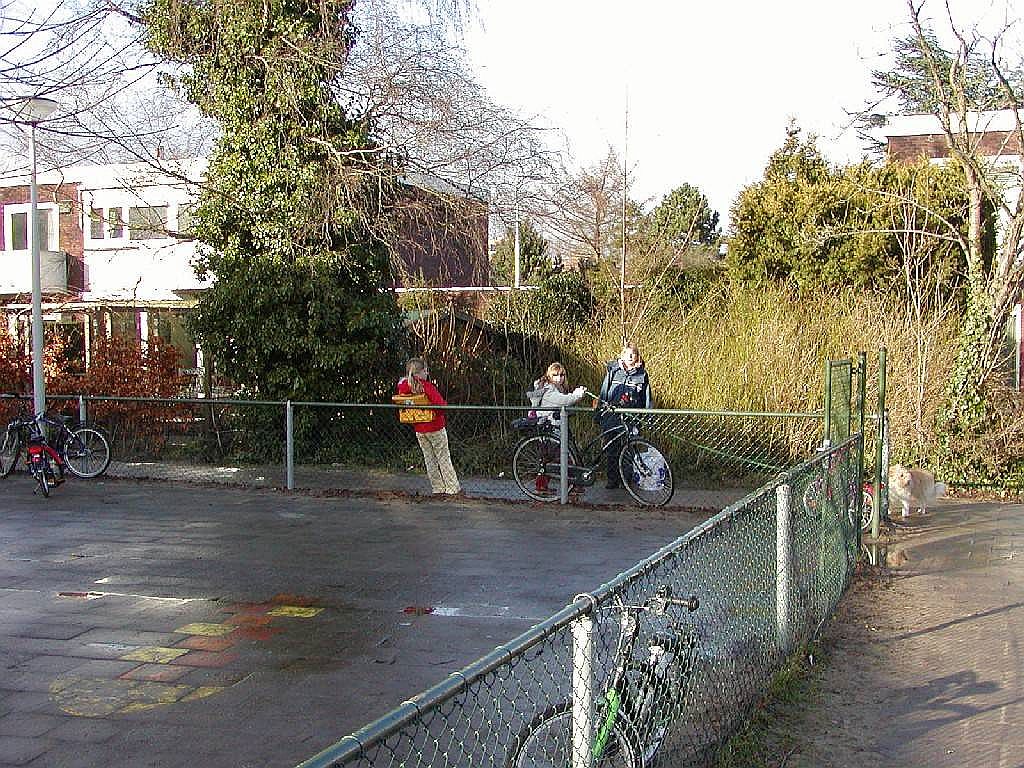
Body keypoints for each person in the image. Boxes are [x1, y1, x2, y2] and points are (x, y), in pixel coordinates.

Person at [396, 358, 461, 496]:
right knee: (443, 457)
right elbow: (441, 405)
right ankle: (452, 488)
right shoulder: (427, 387)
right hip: (435, 427)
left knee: (429, 459)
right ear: (419, 373)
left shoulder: (404, 388)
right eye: (425, 370)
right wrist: (438, 413)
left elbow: (401, 386)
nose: (427, 373)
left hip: (419, 429)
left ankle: (437, 487)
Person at [597, 342, 652, 489]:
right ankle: (612, 480)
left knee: (629, 449)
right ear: (622, 356)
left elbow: (646, 398)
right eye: (627, 354)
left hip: (631, 418)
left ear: (637, 356)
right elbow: (604, 392)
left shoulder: (642, 375)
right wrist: (599, 412)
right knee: (612, 449)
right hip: (612, 417)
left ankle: (626, 481)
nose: (630, 357)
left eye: (633, 354)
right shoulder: (613, 372)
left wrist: (648, 417)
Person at [526, 362, 587, 493]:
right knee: (564, 457)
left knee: (548, 459)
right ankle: (573, 486)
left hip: (552, 428)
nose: (559, 378)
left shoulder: (554, 388)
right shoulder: (548, 389)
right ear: (549, 375)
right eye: (555, 375)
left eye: (562, 375)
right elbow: (563, 400)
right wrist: (578, 394)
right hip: (550, 428)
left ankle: (542, 486)